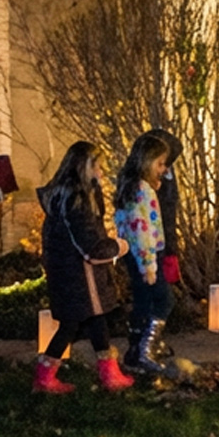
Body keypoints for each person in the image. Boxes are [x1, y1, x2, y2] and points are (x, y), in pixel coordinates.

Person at [34, 141, 134, 394]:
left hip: (71, 273)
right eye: (97, 166)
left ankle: (107, 372)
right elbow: (90, 247)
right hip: (80, 276)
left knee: (95, 319)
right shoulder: (76, 200)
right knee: (72, 324)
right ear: (83, 167)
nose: (101, 172)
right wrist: (118, 247)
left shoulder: (67, 196)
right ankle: (45, 377)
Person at [113, 133, 173, 375]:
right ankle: (146, 350)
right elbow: (143, 230)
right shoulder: (142, 191)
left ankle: (135, 349)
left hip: (131, 253)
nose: (164, 169)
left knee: (142, 301)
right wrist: (148, 265)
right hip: (145, 256)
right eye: (160, 163)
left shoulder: (128, 186)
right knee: (163, 300)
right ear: (147, 162)